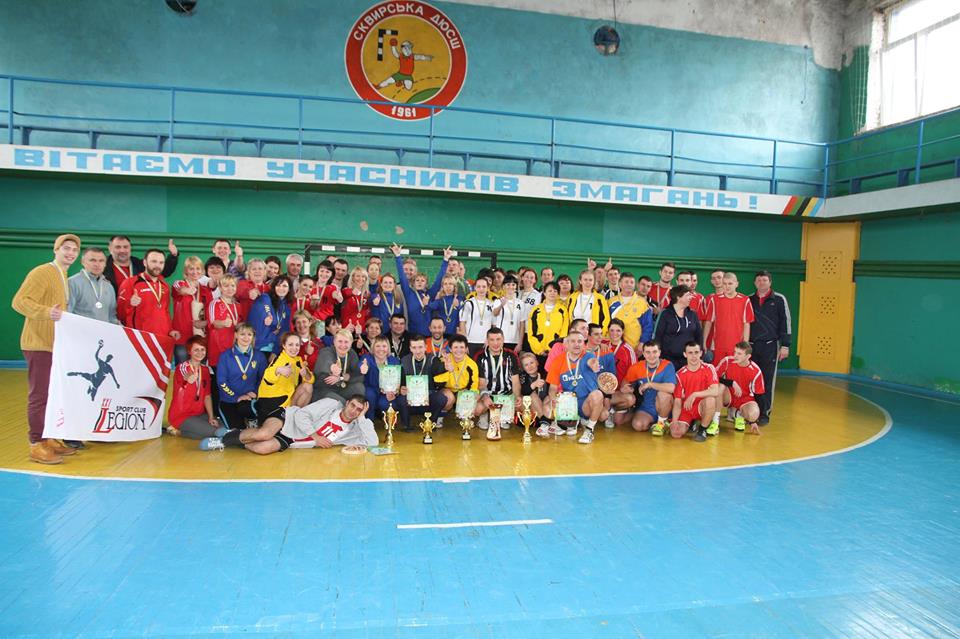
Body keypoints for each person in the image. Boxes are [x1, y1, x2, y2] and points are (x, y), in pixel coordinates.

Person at [12, 233, 82, 464]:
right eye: (66, 248)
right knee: (40, 395)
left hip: (54, 346)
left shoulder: (63, 275)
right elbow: (19, 301)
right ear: (56, 249)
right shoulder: (42, 272)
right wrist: (46, 312)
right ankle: (35, 444)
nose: (71, 253)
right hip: (38, 344)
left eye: (74, 250)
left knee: (52, 396)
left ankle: (47, 438)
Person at [203, 395, 377, 454]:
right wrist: (316, 437)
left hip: (293, 439)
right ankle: (224, 440)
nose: (354, 411)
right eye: (353, 405)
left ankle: (236, 434)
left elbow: (373, 443)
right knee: (263, 434)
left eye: (358, 410)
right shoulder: (331, 404)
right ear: (347, 403)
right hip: (289, 418)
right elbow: (301, 414)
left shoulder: (354, 429)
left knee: (262, 448)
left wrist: (362, 418)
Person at [545, 331, 605, 444]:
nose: (576, 344)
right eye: (573, 341)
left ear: (584, 344)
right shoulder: (558, 361)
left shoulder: (588, 356)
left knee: (599, 398)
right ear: (566, 344)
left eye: (579, 341)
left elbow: (592, 361)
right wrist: (554, 400)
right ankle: (571, 421)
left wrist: (594, 364)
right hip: (568, 403)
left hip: (586, 403)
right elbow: (552, 388)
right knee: (547, 409)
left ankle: (589, 430)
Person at [749, 270, 792, 425]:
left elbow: (786, 322)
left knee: (767, 380)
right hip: (751, 346)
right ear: (755, 283)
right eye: (759, 280)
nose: (761, 283)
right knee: (751, 380)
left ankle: (764, 413)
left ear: (770, 282)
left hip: (770, 346)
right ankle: (751, 413)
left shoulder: (779, 299)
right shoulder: (749, 300)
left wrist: (785, 345)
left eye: (764, 280)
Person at [117, 248, 179, 343]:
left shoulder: (164, 285)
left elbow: (165, 312)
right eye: (154, 261)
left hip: (162, 339)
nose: (157, 265)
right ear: (145, 263)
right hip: (140, 340)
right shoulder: (130, 283)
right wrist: (130, 304)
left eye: (161, 262)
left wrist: (170, 330)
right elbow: (119, 314)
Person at [166, 336, 220, 439]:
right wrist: (189, 380)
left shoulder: (205, 370)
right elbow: (185, 378)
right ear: (189, 351)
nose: (200, 353)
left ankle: (179, 432)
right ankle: (178, 426)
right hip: (181, 415)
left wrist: (211, 417)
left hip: (199, 413)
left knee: (221, 426)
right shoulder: (182, 368)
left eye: (202, 349)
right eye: (196, 350)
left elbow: (207, 396)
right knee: (214, 432)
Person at [392, 243, 451, 336]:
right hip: (412, 334)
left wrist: (446, 260)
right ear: (413, 283)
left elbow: (439, 280)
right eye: (417, 280)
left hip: (428, 334)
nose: (419, 282)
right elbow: (402, 276)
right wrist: (398, 256)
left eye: (422, 281)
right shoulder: (409, 293)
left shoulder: (430, 294)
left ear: (426, 284)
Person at [216, 323, 267, 429]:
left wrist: (256, 392)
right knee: (237, 432)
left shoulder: (259, 356)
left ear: (253, 337)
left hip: (250, 399)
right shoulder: (225, 356)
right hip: (229, 400)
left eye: (249, 334)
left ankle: (252, 420)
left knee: (254, 427)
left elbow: (264, 378)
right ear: (236, 335)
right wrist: (236, 397)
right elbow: (221, 382)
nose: (246, 337)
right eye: (242, 334)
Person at [621, 340, 676, 435]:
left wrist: (650, 384)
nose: (651, 355)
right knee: (638, 425)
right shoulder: (637, 367)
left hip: (665, 405)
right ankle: (656, 424)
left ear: (659, 352)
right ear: (643, 354)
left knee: (663, 394)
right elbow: (625, 382)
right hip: (648, 407)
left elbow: (671, 388)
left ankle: (662, 423)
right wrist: (626, 388)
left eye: (654, 352)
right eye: (648, 352)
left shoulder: (667, 365)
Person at [473, 327, 521, 430]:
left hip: (505, 394)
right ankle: (484, 415)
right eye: (492, 340)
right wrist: (485, 397)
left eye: (498, 339)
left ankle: (503, 416)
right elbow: (481, 384)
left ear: (503, 340)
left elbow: (516, 382)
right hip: (488, 394)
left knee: (523, 406)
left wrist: (516, 397)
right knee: (477, 409)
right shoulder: (480, 356)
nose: (495, 343)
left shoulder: (511, 355)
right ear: (487, 341)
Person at [671, 341, 720, 442]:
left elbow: (715, 391)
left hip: (702, 406)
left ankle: (702, 430)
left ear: (701, 353)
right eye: (690, 353)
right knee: (676, 433)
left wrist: (695, 394)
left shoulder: (709, 368)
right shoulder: (679, 374)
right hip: (687, 408)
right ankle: (691, 422)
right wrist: (674, 421)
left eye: (696, 352)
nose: (694, 356)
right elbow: (677, 401)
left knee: (711, 400)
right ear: (685, 354)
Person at [703, 272, 755, 366]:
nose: (727, 286)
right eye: (724, 283)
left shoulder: (745, 300)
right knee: (718, 372)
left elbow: (747, 324)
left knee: (734, 372)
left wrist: (745, 345)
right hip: (718, 346)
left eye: (730, 283)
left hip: (737, 347)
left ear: (736, 284)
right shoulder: (714, 299)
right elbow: (708, 322)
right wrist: (704, 341)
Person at [395, 335, 446, 431]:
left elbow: (439, 372)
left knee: (441, 398)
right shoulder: (404, 361)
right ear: (410, 348)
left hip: (427, 401)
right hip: (410, 402)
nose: (417, 351)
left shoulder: (433, 359)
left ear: (426, 347)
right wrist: (401, 388)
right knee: (401, 399)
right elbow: (400, 382)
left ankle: (431, 423)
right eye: (414, 347)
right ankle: (406, 425)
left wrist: (445, 368)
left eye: (420, 347)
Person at [171, 256, 213, 364]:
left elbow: (210, 313)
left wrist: (205, 322)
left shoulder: (205, 290)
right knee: (183, 369)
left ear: (202, 271)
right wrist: (186, 290)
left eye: (198, 268)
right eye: (191, 269)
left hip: (200, 337)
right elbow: (178, 288)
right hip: (182, 337)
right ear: (186, 271)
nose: (195, 272)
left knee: (200, 370)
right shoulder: (180, 283)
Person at [717, 342, 765, 434]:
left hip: (745, 399)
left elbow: (759, 395)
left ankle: (738, 414)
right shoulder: (727, 361)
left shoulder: (756, 370)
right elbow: (713, 378)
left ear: (748, 356)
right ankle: (715, 422)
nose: (735, 356)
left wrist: (753, 421)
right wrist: (731, 383)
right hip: (729, 395)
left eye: (739, 354)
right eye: (735, 352)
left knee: (753, 414)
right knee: (720, 386)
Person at [433, 334, 480, 428]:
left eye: (462, 347)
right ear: (450, 349)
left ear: (466, 349)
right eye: (455, 347)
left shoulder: (472, 364)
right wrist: (447, 369)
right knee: (449, 398)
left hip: (463, 391)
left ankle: (465, 415)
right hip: (447, 390)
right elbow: (436, 382)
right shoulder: (443, 360)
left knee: (475, 400)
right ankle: (440, 415)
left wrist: (471, 398)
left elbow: (474, 385)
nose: (459, 350)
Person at [104, 235, 178, 294]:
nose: (122, 250)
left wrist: (173, 256)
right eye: (118, 247)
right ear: (110, 249)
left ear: (130, 248)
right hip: (114, 307)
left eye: (125, 247)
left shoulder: (140, 264)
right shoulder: (103, 267)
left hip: (139, 307)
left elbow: (163, 271)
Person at [653, 285, 703, 372]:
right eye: (687, 295)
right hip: (668, 360)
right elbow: (657, 337)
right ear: (678, 297)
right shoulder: (665, 314)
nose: (690, 297)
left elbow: (699, 336)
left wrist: (700, 356)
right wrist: (658, 357)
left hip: (689, 360)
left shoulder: (692, 314)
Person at [314, 328, 366, 403]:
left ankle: (352, 408)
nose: (343, 345)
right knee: (341, 402)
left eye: (346, 342)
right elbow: (326, 360)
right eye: (340, 341)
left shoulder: (352, 354)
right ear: (334, 342)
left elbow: (359, 377)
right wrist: (332, 367)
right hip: (324, 390)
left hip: (342, 389)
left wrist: (341, 377)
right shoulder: (327, 351)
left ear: (351, 343)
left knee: (360, 388)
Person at [68, 247, 118, 325]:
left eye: (101, 261)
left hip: (103, 332)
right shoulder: (72, 283)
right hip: (80, 331)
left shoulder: (109, 286)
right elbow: (67, 314)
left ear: (105, 264)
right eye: (92, 260)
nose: (97, 264)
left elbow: (112, 317)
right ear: (82, 262)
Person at [247, 275, 293, 360]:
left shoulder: (286, 308)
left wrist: (275, 352)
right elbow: (265, 307)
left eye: (284, 286)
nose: (281, 288)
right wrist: (268, 315)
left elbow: (283, 332)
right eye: (278, 285)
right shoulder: (266, 297)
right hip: (258, 346)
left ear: (289, 289)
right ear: (274, 287)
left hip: (272, 349)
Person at [525, 281, 569, 366]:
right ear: (544, 293)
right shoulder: (535, 310)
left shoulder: (563, 310)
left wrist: (554, 348)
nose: (552, 293)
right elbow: (531, 333)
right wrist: (539, 350)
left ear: (558, 294)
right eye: (550, 291)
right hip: (538, 351)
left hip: (555, 351)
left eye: (555, 291)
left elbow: (564, 333)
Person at [607, 272, 653, 349]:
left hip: (635, 347)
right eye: (626, 282)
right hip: (613, 346)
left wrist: (642, 344)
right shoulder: (611, 302)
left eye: (632, 282)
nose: (629, 284)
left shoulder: (643, 303)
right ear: (620, 284)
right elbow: (606, 323)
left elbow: (648, 326)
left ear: (635, 285)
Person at [360, 335, 402, 419]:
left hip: (387, 393)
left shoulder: (394, 361)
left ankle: (386, 421)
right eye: (378, 346)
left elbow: (398, 381)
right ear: (373, 347)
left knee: (386, 404)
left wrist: (395, 392)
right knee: (369, 395)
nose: (381, 349)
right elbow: (361, 365)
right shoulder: (367, 358)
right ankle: (369, 421)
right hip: (371, 389)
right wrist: (363, 367)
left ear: (388, 348)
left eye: (384, 346)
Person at [518, 351, 554, 436]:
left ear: (537, 363)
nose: (530, 366)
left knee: (550, 396)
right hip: (530, 412)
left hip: (545, 409)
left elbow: (551, 391)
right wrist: (534, 385)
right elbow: (523, 392)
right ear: (523, 368)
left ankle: (546, 423)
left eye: (532, 363)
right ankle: (545, 422)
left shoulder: (545, 374)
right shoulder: (522, 376)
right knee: (532, 395)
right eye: (526, 365)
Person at [459, 276, 495, 356]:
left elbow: (493, 325)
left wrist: (490, 339)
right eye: (478, 287)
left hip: (486, 342)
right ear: (474, 288)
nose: (481, 289)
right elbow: (462, 323)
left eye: (484, 287)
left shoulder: (492, 304)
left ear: (488, 288)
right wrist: (464, 342)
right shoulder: (468, 303)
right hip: (470, 341)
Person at [491, 275, 525, 351]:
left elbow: (522, 324)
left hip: (515, 340)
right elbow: (494, 314)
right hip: (501, 339)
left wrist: (520, 343)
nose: (511, 287)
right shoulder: (498, 301)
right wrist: (501, 305)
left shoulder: (520, 303)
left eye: (513, 284)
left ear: (516, 286)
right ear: (503, 286)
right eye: (508, 284)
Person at [340, 267, 372, 332]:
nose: (361, 279)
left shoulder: (367, 295)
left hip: (361, 330)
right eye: (358, 276)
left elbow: (367, 314)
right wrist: (352, 292)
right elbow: (344, 294)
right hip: (347, 329)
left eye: (363, 276)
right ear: (353, 278)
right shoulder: (346, 291)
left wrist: (365, 329)